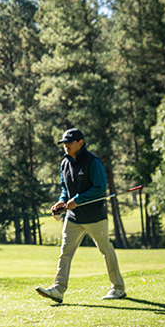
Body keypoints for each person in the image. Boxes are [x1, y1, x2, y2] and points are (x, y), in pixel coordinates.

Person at [36, 128, 126, 304]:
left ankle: (118, 288)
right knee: (65, 253)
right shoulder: (65, 163)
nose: (66, 146)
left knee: (106, 250)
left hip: (94, 217)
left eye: (69, 143)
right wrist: (62, 201)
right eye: (64, 143)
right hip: (73, 217)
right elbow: (64, 187)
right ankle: (58, 290)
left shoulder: (93, 162)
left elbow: (100, 188)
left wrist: (78, 199)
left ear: (81, 143)